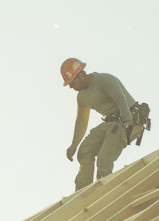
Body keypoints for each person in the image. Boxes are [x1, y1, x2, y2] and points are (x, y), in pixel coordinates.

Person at [61, 58, 147, 191]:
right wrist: (74, 144)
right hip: (111, 123)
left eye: (72, 82)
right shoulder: (82, 97)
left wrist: (128, 123)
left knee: (104, 160)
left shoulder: (104, 80)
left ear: (82, 75)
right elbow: (82, 120)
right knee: (84, 150)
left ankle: (105, 192)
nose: (71, 87)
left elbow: (120, 98)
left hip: (128, 119)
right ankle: (83, 193)